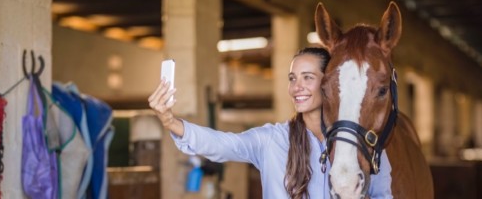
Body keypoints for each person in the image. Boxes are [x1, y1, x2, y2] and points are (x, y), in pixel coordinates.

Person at [148, 47, 392, 199]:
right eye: (292, 78)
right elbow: (221, 144)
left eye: (308, 78)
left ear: (328, 83)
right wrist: (171, 122)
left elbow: (383, 195)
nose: (297, 87)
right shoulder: (272, 140)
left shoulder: (360, 142)